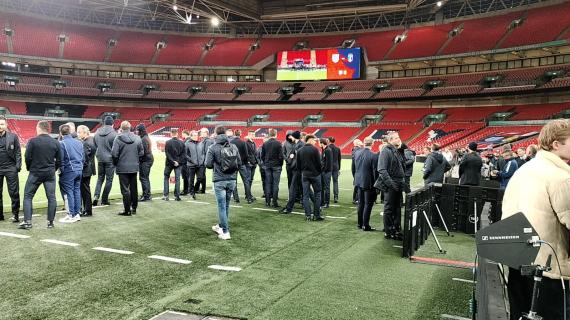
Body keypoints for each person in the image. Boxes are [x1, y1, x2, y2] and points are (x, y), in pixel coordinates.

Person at [502, 120, 570, 320]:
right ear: (556, 144)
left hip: (519, 263)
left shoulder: (524, 170)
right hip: (550, 272)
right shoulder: (561, 178)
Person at [19, 121, 60, 229]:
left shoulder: (33, 141)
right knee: (51, 197)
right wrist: (53, 169)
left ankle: (27, 222)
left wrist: (29, 168)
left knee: (28, 196)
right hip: (50, 174)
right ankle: (50, 223)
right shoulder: (55, 142)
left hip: (35, 173)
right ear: (48, 129)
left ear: (39, 128)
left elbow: (27, 157)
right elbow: (60, 160)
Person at [206, 126, 241, 240]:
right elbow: (239, 163)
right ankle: (221, 226)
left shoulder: (213, 147)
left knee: (221, 207)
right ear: (226, 134)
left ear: (216, 134)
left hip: (219, 180)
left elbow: (208, 164)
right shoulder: (234, 146)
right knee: (226, 206)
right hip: (232, 180)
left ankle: (225, 232)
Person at [377, 132, 405, 240]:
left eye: (399, 137)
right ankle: (389, 231)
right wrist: (391, 184)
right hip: (392, 184)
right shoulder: (385, 151)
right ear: (390, 140)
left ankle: (396, 229)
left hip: (398, 183)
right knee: (389, 208)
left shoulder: (396, 150)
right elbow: (382, 169)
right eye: (397, 138)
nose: (399, 139)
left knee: (397, 207)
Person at [112, 121, 143, 216]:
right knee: (134, 188)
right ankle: (134, 208)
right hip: (134, 166)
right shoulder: (137, 138)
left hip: (122, 167)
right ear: (130, 128)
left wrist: (116, 163)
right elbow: (141, 153)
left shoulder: (118, 138)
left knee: (125, 189)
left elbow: (114, 153)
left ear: (121, 128)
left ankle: (127, 210)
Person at [58, 124, 84, 223]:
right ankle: (77, 214)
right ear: (70, 132)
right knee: (77, 191)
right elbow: (83, 158)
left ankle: (70, 214)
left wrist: (61, 171)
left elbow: (61, 160)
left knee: (68, 192)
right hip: (79, 170)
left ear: (60, 133)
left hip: (69, 171)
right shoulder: (79, 143)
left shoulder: (62, 143)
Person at [297, 134, 324, 221]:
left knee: (305, 196)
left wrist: (303, 172)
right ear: (310, 139)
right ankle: (317, 215)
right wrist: (318, 172)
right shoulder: (315, 150)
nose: (315, 142)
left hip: (305, 175)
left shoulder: (300, 150)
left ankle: (308, 215)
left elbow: (298, 165)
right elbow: (319, 164)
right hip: (315, 175)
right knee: (317, 194)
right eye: (314, 140)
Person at [0, 116, 21, 222]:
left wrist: (17, 166)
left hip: (10, 168)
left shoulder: (13, 136)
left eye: (2, 124)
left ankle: (15, 214)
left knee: (14, 192)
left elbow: (18, 152)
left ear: (6, 125)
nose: (0, 126)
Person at [355, 137, 379, 231]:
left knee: (361, 203)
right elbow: (375, 172)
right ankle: (366, 225)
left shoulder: (357, 153)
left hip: (359, 181)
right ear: (372, 144)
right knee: (368, 204)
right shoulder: (373, 155)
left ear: (364, 143)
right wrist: (376, 185)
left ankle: (360, 223)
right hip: (368, 183)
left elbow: (355, 167)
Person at [93, 116, 117, 206]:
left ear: (104, 123)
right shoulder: (114, 134)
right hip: (110, 159)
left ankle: (96, 196)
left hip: (100, 158)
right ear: (112, 123)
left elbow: (95, 144)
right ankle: (104, 199)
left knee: (100, 179)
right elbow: (115, 149)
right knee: (109, 180)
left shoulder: (97, 132)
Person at [280, 131, 304, 214]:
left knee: (295, 187)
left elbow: (297, 157)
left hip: (296, 169)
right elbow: (287, 154)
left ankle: (289, 207)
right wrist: (287, 160)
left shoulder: (299, 145)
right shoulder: (294, 144)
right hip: (293, 167)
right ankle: (292, 204)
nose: (290, 137)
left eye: (292, 136)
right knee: (297, 186)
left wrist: (291, 161)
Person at [261, 128, 284, 207]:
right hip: (276, 166)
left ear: (269, 135)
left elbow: (262, 156)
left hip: (268, 166)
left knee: (268, 183)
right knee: (275, 184)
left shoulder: (265, 143)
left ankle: (267, 202)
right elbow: (281, 156)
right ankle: (274, 202)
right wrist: (280, 164)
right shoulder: (278, 143)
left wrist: (265, 163)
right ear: (276, 134)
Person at [77, 125, 97, 217]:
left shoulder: (85, 143)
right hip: (90, 168)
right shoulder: (92, 140)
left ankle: (87, 210)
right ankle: (87, 209)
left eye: (79, 132)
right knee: (86, 189)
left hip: (85, 169)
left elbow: (84, 158)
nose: (78, 134)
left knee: (85, 190)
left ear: (85, 132)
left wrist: (81, 166)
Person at [230, 129, 254, 204]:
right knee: (246, 181)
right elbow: (246, 155)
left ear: (234, 134)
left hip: (234, 165)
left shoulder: (231, 143)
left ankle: (236, 198)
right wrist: (246, 162)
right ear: (240, 134)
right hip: (242, 164)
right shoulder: (243, 142)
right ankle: (249, 198)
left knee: (234, 182)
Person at [163, 128, 185, 201]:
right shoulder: (182, 142)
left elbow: (167, 154)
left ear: (171, 134)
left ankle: (166, 195)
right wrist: (177, 162)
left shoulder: (168, 142)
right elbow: (183, 154)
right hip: (178, 164)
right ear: (177, 134)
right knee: (178, 179)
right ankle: (177, 196)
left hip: (169, 163)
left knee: (166, 177)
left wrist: (173, 161)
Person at [137, 123, 153, 202]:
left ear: (140, 131)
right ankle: (147, 194)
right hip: (148, 159)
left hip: (145, 160)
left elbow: (143, 152)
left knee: (143, 178)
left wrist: (138, 158)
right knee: (145, 178)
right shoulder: (145, 137)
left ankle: (146, 195)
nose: (137, 132)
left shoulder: (143, 139)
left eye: (138, 130)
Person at [195, 128, 213, 194]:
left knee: (200, 176)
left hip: (203, 161)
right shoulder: (203, 140)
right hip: (201, 161)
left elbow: (207, 152)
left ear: (206, 133)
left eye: (202, 132)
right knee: (202, 175)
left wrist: (204, 161)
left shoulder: (207, 141)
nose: (200, 133)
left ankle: (195, 189)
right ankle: (202, 189)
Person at [185, 130, 202, 200]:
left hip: (199, 164)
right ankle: (192, 193)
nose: (196, 136)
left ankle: (194, 190)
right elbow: (185, 154)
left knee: (200, 178)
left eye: (197, 135)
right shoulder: (187, 143)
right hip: (191, 165)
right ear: (191, 136)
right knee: (191, 180)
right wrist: (192, 160)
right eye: (194, 135)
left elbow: (202, 153)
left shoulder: (200, 143)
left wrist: (202, 160)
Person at [328, 136, 341, 203]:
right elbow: (339, 159)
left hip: (328, 167)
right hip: (336, 167)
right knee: (335, 182)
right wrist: (339, 169)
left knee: (327, 183)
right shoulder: (338, 148)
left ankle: (327, 197)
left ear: (329, 141)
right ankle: (336, 197)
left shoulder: (327, 148)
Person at [320, 138, 333, 208]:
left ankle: (326, 203)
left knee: (326, 188)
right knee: (322, 187)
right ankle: (322, 202)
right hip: (323, 172)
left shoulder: (328, 150)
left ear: (322, 143)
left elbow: (328, 163)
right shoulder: (324, 150)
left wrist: (324, 170)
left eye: (320, 143)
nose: (319, 144)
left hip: (326, 172)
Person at [351, 139, 364, 204]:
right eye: (360, 141)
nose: (361, 142)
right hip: (357, 170)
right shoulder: (357, 150)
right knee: (357, 185)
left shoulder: (356, 150)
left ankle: (355, 199)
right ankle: (356, 199)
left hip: (356, 170)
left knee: (357, 185)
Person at [180, 130, 191, 195]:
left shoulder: (187, 141)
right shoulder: (189, 140)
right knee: (188, 176)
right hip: (188, 161)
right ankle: (188, 189)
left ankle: (186, 190)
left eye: (182, 134)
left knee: (185, 176)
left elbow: (184, 152)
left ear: (184, 134)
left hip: (185, 161)